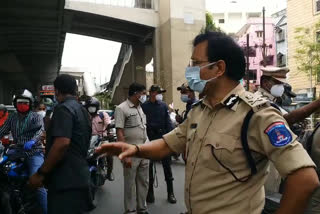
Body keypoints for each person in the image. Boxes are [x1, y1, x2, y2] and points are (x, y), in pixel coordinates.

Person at [97, 31, 319, 214]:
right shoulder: (199, 111)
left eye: (196, 63)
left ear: (219, 68)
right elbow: (167, 144)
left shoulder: (257, 114)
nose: (190, 70)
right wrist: (134, 149)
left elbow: (305, 179)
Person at [28, 74, 92, 214]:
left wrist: (41, 173)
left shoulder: (63, 109)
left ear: (56, 91)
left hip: (65, 182)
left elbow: (62, 143)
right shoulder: (82, 110)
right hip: (80, 178)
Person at [0, 89, 47, 214]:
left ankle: (46, 210)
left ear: (30, 104)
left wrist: (32, 141)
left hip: (34, 152)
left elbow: (39, 131)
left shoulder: (36, 116)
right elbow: (2, 130)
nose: (22, 105)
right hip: (16, 151)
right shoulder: (12, 117)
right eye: (19, 102)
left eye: (25, 102)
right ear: (15, 104)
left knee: (36, 181)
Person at [114, 82, 149, 214]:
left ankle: (142, 208)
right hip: (131, 152)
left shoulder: (140, 107)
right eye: (143, 93)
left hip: (144, 151)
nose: (144, 96)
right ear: (136, 94)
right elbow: (120, 133)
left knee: (143, 181)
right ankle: (130, 210)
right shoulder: (121, 108)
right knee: (130, 184)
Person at [141, 85, 177, 204]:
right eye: (158, 92)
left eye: (161, 93)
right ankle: (150, 192)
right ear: (151, 93)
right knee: (149, 168)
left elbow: (168, 122)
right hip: (150, 138)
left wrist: (171, 139)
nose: (160, 95)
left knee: (167, 167)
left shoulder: (163, 105)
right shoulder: (144, 106)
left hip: (163, 138)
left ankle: (170, 193)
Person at [86, 97, 114, 181]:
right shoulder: (85, 116)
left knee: (109, 154)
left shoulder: (103, 115)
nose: (91, 108)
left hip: (102, 139)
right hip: (89, 140)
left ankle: (109, 173)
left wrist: (109, 134)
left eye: (93, 106)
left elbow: (108, 124)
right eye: (89, 106)